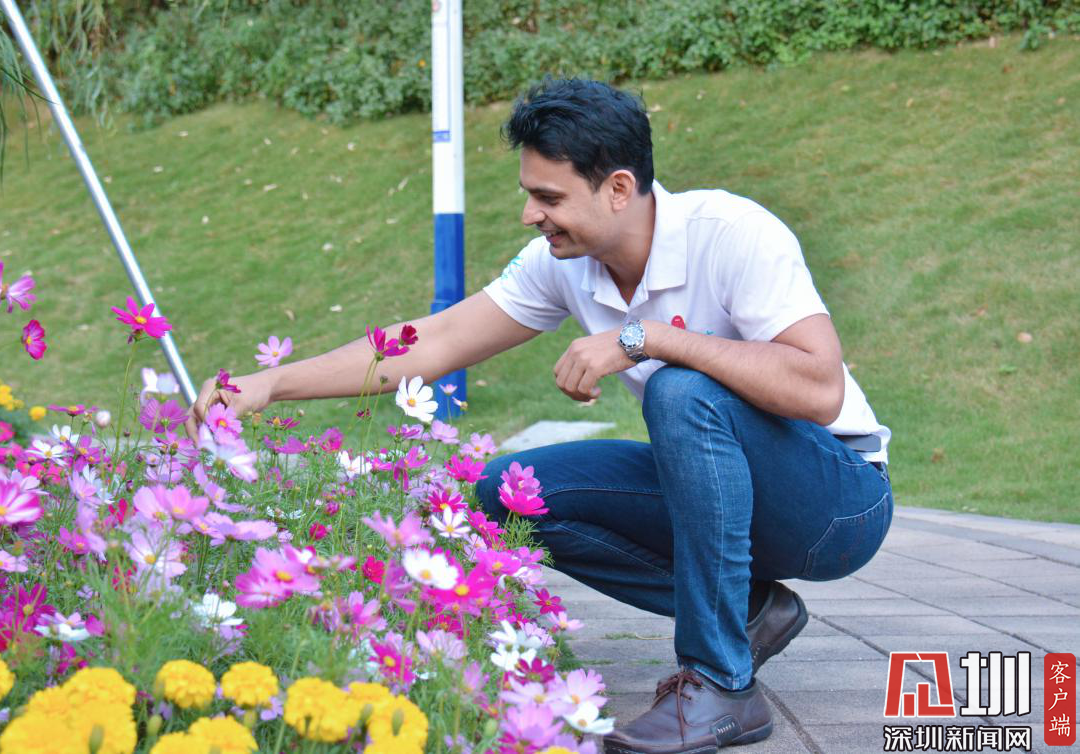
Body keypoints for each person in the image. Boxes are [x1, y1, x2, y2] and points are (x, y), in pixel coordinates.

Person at [189, 77, 893, 754]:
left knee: (681, 390)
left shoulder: (733, 233)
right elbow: (434, 341)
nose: (530, 214)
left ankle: (720, 684)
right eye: (530, 195)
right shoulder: (562, 261)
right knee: (507, 492)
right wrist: (273, 383)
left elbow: (819, 387)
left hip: (835, 503)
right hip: (724, 495)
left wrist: (649, 338)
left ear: (618, 188)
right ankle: (750, 612)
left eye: (548, 197)